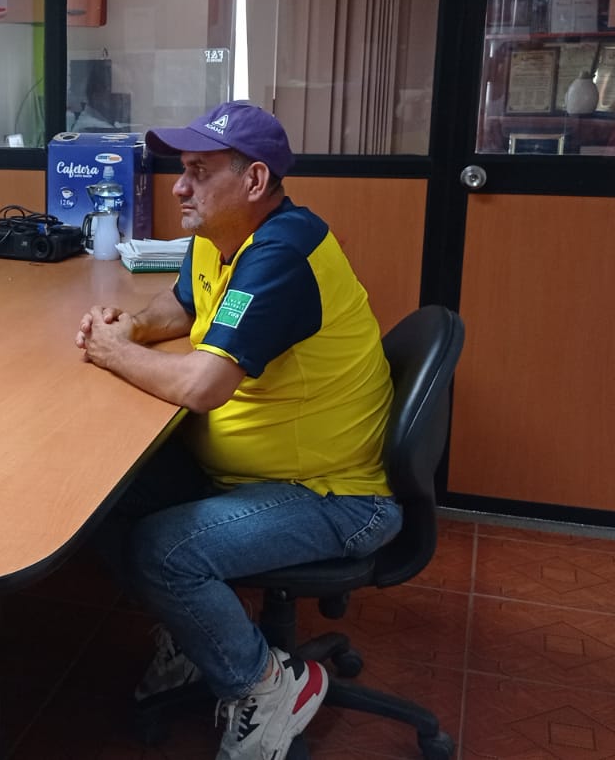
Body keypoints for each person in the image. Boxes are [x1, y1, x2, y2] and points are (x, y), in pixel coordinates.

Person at [75, 101, 400, 759]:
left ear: (254, 181)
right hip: (247, 474)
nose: (178, 187)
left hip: (332, 496)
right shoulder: (219, 238)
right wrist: (132, 327)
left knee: (164, 551)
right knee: (97, 493)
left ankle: (268, 687)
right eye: (182, 170)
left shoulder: (283, 253)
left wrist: (111, 352)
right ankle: (194, 637)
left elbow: (202, 387)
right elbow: (182, 304)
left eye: (198, 171)